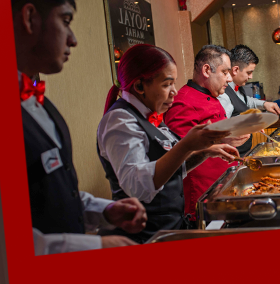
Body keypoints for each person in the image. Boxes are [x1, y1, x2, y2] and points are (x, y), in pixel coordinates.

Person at [13, 0, 147, 253]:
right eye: (65, 22)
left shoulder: (42, 105)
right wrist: (95, 245)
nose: (73, 40)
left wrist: (103, 210)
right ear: (29, 18)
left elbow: (51, 196)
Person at [96, 44, 241, 241]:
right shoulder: (120, 121)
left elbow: (173, 170)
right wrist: (186, 145)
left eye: (174, 83)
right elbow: (137, 187)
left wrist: (205, 151)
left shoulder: (151, 115)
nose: (174, 91)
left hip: (170, 226)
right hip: (144, 234)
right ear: (139, 86)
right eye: (167, 84)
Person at [162, 46, 245, 224]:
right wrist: (219, 140)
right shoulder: (183, 102)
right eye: (225, 72)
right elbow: (179, 156)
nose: (230, 79)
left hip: (221, 188)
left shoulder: (212, 96)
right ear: (207, 70)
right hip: (202, 199)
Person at [222, 46, 280, 118]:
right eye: (249, 73)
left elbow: (244, 101)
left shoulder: (237, 86)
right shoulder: (223, 93)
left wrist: (264, 104)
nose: (251, 77)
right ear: (235, 70)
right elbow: (223, 122)